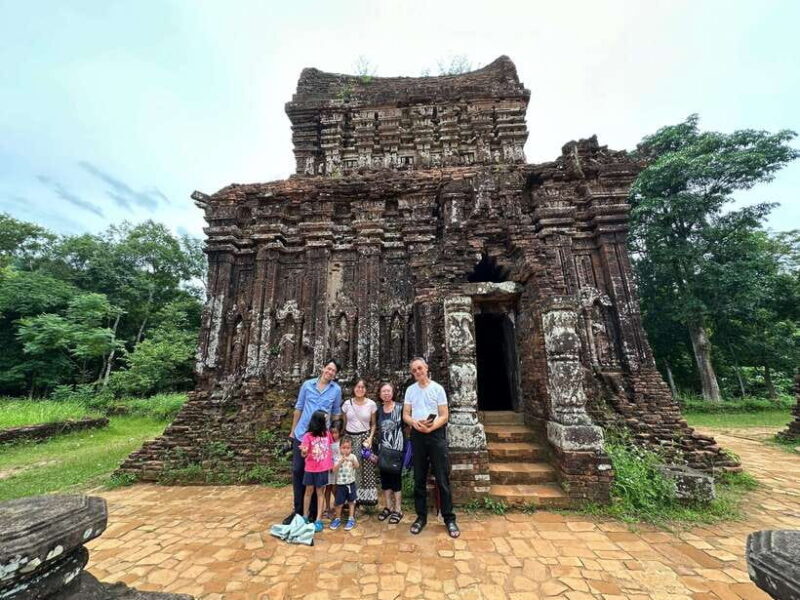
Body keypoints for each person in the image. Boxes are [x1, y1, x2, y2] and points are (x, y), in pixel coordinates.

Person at [402, 357, 459, 538]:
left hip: (435, 435)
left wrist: (431, 427)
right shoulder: (410, 390)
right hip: (418, 435)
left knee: (442, 477)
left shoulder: (437, 389)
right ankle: (421, 516)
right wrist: (414, 423)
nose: (418, 372)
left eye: (420, 368)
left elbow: (444, 415)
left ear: (426, 368)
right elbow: (405, 414)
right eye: (414, 370)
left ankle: (449, 518)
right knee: (419, 477)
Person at [285, 359, 342, 525]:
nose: (330, 372)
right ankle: (298, 511)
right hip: (302, 434)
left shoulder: (336, 390)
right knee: (298, 471)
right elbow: (299, 408)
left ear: (335, 375)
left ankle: (311, 513)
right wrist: (292, 432)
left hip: (321, 439)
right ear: (323, 368)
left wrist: (335, 433)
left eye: (334, 371)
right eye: (329, 368)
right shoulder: (307, 385)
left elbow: (336, 414)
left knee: (316, 474)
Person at [342, 378, 378, 507]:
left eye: (363, 387)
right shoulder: (347, 404)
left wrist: (370, 438)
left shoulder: (371, 404)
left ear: (366, 389)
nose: (360, 389)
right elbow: (345, 423)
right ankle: (351, 499)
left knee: (366, 469)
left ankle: (365, 500)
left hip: (364, 439)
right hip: (350, 439)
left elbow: (373, 424)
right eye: (357, 387)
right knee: (351, 469)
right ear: (353, 388)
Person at [299, 410, 335, 533]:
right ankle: (305, 516)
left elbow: (331, 450)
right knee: (308, 492)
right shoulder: (307, 436)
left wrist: (332, 465)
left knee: (320, 493)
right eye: (325, 419)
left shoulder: (327, 434)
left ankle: (318, 519)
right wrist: (304, 451)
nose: (327, 422)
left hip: (323, 469)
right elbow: (303, 454)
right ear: (318, 421)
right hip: (310, 468)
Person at [375, 381, 405, 524]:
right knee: (385, 479)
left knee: (396, 480)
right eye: (383, 391)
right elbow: (375, 428)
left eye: (388, 391)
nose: (386, 393)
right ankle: (388, 506)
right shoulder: (378, 410)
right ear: (380, 394)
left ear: (393, 393)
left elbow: (407, 427)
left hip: (396, 449)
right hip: (383, 449)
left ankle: (398, 509)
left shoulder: (400, 408)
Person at [330, 436, 360, 531]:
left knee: (351, 501)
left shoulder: (352, 456)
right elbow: (333, 470)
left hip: (350, 483)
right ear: (340, 448)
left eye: (348, 448)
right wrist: (340, 462)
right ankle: (338, 518)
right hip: (340, 484)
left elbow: (357, 466)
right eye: (343, 448)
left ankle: (351, 518)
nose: (346, 450)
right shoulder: (337, 458)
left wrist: (353, 461)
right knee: (339, 503)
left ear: (351, 448)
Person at [323, 424, 341, 519]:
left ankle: (337, 504)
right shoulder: (327, 441)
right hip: (329, 467)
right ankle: (327, 507)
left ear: (339, 432)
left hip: (338, 468)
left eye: (336, 433)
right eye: (332, 432)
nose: (334, 435)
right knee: (328, 488)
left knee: (335, 487)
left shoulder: (341, 442)